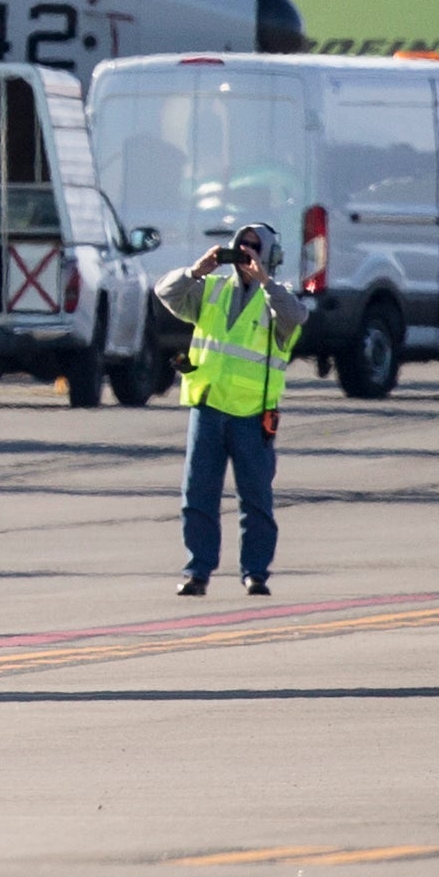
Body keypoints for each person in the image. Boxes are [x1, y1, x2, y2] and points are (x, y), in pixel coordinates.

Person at [159, 222, 306, 597]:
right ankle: (198, 571)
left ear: (269, 255)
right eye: (241, 247)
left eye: (255, 248)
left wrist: (265, 280)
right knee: (198, 495)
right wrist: (196, 270)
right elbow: (165, 292)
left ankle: (255, 572)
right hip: (207, 407)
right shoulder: (211, 291)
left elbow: (296, 317)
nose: (246, 255)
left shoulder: (278, 299)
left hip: (252, 415)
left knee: (255, 498)